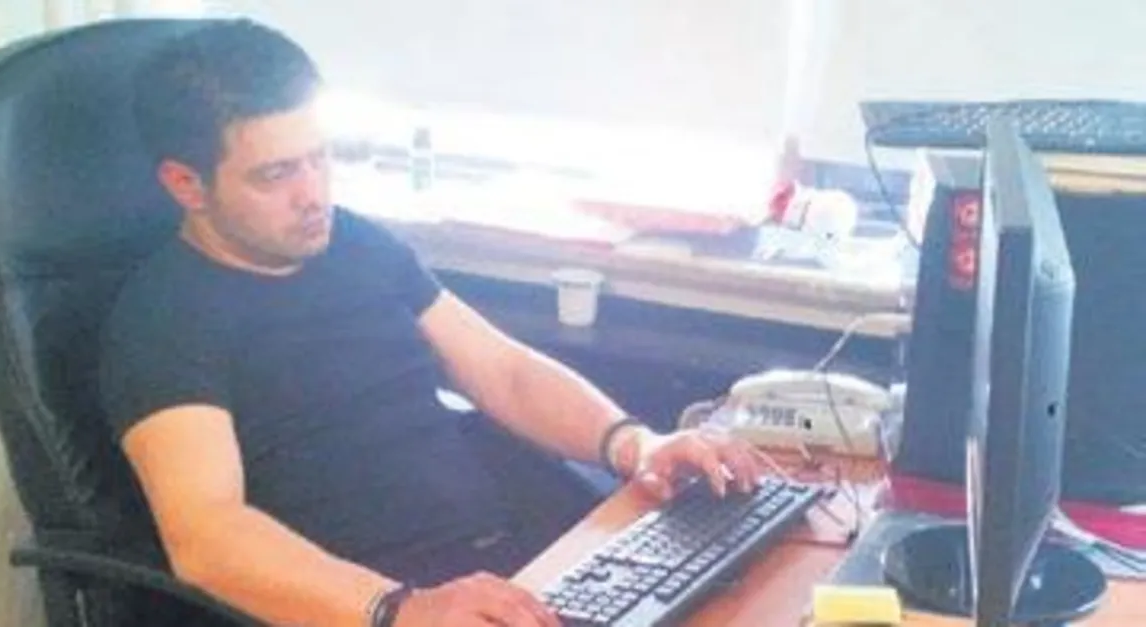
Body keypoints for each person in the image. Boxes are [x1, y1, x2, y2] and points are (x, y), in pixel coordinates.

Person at [101, 18, 763, 627]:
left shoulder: (352, 242)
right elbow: (208, 537)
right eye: (275, 174)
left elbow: (503, 370)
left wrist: (635, 444)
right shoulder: (165, 320)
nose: (314, 194)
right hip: (375, 606)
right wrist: (400, 608)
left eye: (320, 157)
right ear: (186, 184)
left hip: (501, 573)